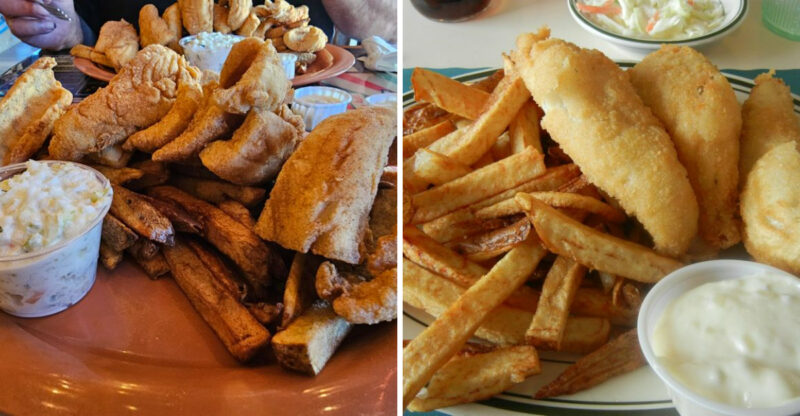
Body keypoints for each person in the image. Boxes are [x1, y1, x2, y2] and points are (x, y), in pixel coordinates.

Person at [0, 0, 394, 51]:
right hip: (131, 102)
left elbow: (391, 27)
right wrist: (66, 30)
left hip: (302, 105)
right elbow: (85, 31)